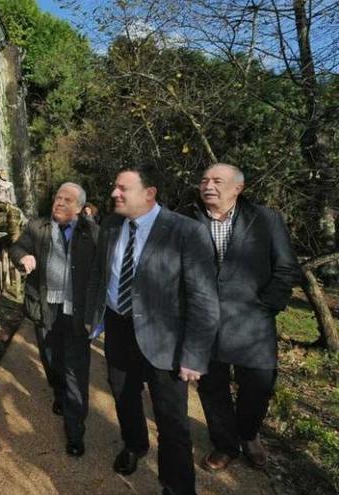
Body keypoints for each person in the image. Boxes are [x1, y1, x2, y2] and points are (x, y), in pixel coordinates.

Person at [85, 168, 219, 495]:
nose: (114, 194)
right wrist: (93, 319)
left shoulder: (185, 231)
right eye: (114, 187)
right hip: (119, 329)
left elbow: (203, 299)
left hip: (165, 340)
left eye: (123, 188)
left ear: (149, 193)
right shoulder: (111, 226)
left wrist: (194, 355)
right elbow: (100, 277)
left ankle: (176, 487)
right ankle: (135, 445)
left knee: (172, 422)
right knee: (124, 396)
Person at [189, 164, 301, 471]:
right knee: (212, 388)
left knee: (259, 385)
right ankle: (225, 445)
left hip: (253, 325)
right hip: (205, 325)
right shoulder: (187, 220)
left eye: (217, 181)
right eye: (204, 180)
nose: (208, 185)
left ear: (238, 188)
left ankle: (249, 434)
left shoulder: (266, 220)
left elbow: (287, 267)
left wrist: (267, 305)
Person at [10, 183, 99, 457]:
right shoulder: (38, 227)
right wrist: (23, 256)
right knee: (51, 360)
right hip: (45, 309)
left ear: (80, 208)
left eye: (67, 199)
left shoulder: (92, 233)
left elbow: (102, 273)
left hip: (76, 314)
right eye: (57, 197)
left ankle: (75, 431)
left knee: (76, 371)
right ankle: (59, 393)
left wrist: (97, 314)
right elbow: (17, 247)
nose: (59, 202)